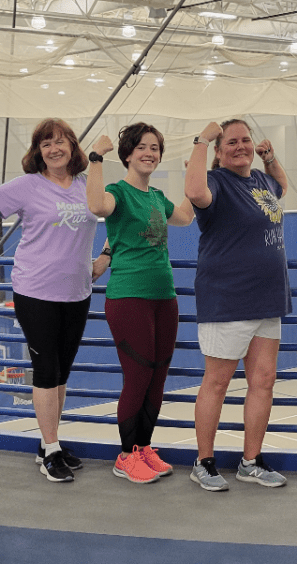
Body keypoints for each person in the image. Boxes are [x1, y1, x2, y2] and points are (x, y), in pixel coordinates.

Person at [0, 119, 101, 483]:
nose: (54, 149)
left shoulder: (86, 185)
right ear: (37, 151)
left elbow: (117, 215)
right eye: (46, 144)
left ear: (73, 147)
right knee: (46, 371)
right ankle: (50, 449)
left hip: (77, 293)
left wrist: (106, 256)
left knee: (61, 373)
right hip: (36, 293)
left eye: (61, 142)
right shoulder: (27, 186)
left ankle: (51, 442)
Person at [184, 118, 290, 491]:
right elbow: (193, 189)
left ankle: (251, 461)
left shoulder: (259, 180)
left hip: (267, 299)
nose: (241, 146)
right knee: (217, 382)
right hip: (228, 300)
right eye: (231, 142)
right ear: (218, 151)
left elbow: (282, 186)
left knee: (263, 381)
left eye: (245, 140)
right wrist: (202, 139)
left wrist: (270, 158)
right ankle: (204, 462)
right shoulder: (216, 182)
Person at [86, 122, 195, 484]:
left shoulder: (157, 198)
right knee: (138, 375)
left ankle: (143, 447)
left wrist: (191, 180)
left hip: (164, 296)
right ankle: (125, 454)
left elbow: (186, 216)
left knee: (158, 377)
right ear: (129, 154)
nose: (150, 153)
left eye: (155, 148)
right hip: (129, 297)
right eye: (143, 147)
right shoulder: (117, 191)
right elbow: (95, 204)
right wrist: (96, 158)